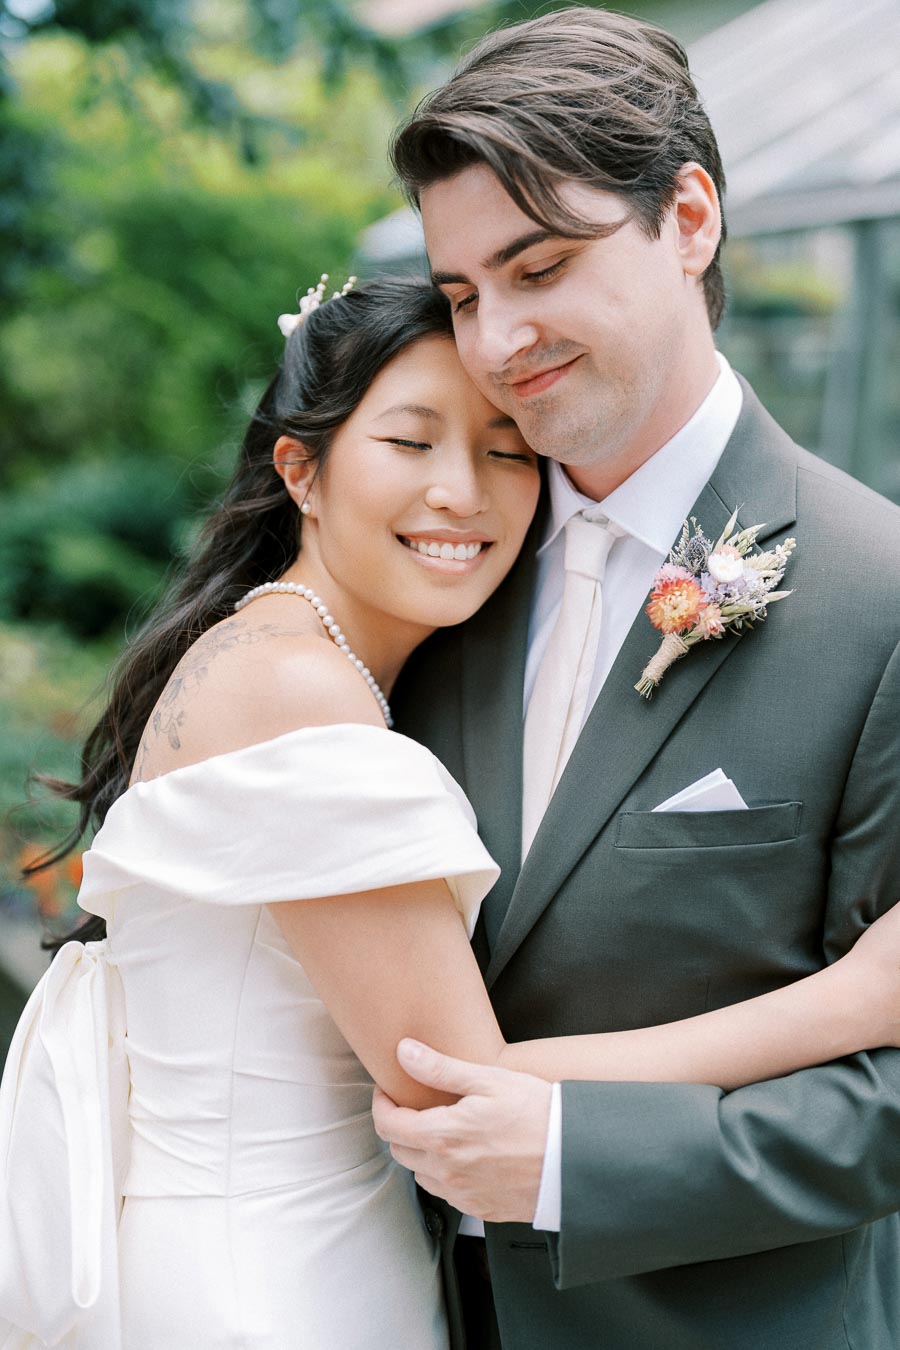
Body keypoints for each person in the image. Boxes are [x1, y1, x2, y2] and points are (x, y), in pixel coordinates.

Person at [0, 272, 898, 1350]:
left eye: (507, 450)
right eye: (412, 443)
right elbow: (457, 1083)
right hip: (275, 1294)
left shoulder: (306, 657)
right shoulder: (301, 692)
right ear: (303, 469)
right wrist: (853, 1004)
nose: (463, 493)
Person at [370, 7, 900, 1350]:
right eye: (462, 295)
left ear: (690, 218)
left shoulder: (882, 595)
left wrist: (566, 1157)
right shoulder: (429, 563)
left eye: (540, 266)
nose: (497, 341)